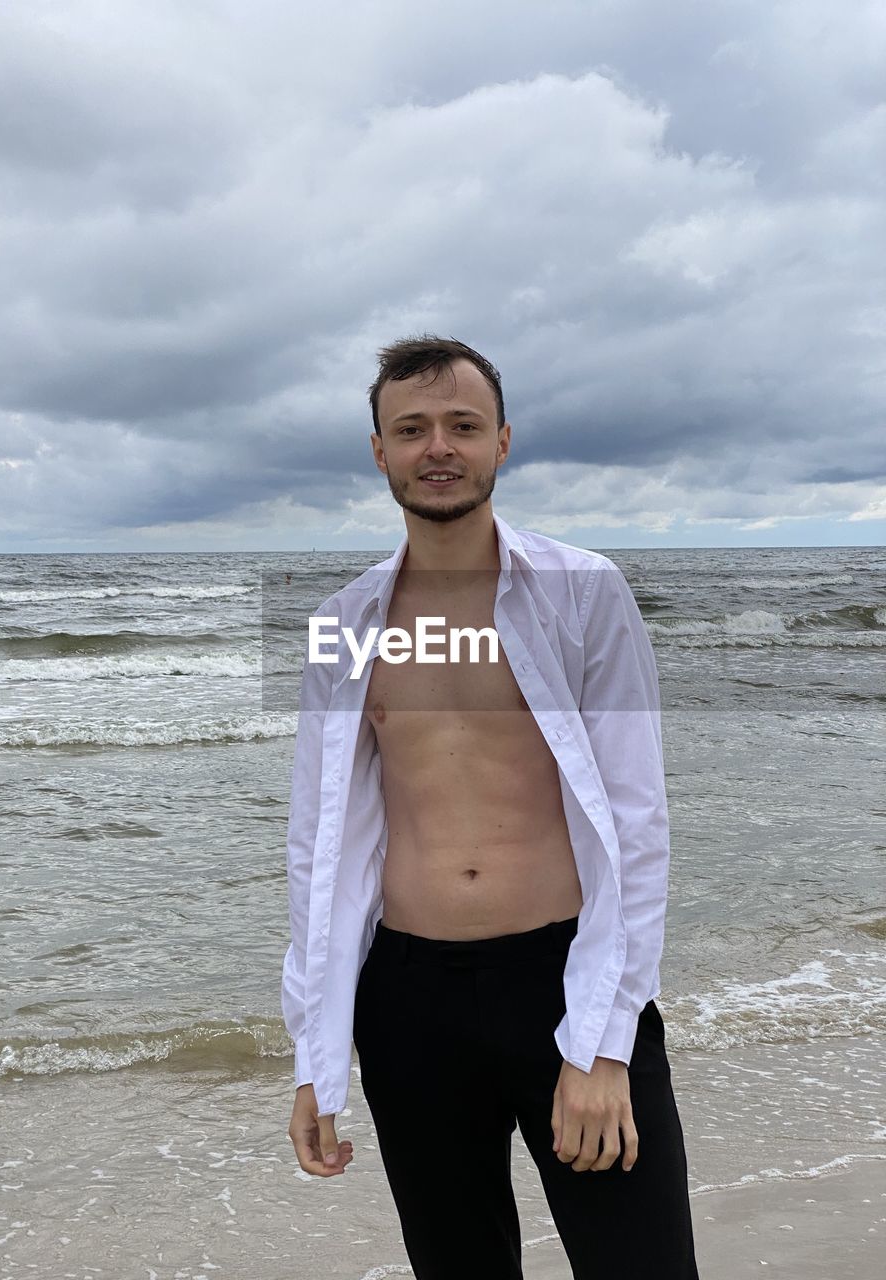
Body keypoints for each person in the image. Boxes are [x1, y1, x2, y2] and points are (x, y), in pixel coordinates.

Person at [282, 335, 701, 1279]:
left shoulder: (583, 594)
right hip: (409, 1001)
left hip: (560, 976)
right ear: (379, 451)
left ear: (502, 442)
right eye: (413, 428)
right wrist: (316, 1049)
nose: (439, 447)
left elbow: (637, 822)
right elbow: (321, 846)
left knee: (643, 1265)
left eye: (462, 426)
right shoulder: (344, 627)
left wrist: (602, 1045)